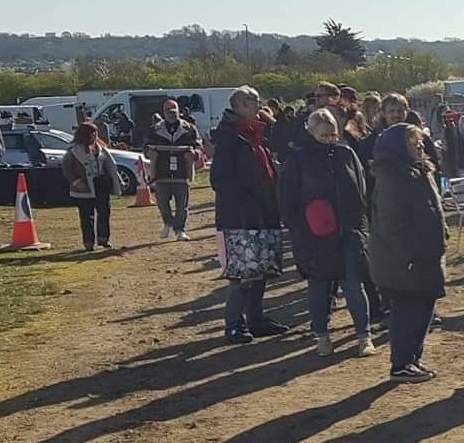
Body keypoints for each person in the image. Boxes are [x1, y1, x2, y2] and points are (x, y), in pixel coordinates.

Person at [278, 108, 376, 357]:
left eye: (333, 134)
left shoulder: (346, 154)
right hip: (315, 238)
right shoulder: (297, 161)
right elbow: (287, 200)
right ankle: (322, 336)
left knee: (354, 285)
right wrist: (300, 231)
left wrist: (361, 226)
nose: (330, 139)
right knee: (319, 289)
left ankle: (364, 336)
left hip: (348, 232)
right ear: (310, 133)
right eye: (324, 135)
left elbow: (361, 191)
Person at [368, 123, 447, 383]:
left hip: (424, 254)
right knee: (407, 310)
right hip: (404, 260)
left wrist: (441, 231)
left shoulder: (419, 171)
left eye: (419, 143)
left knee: (424, 307)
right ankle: (401, 362)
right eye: (413, 143)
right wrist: (409, 255)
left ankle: (413, 359)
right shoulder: (392, 178)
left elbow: (432, 208)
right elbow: (392, 223)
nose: (420, 147)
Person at [210, 86, 289, 344]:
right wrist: (247, 201)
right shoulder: (229, 138)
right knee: (242, 274)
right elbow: (219, 180)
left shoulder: (256, 135)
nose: (258, 106)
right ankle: (234, 324)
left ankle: (255, 319)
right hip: (240, 218)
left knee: (261, 270)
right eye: (253, 102)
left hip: (264, 212)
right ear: (239, 106)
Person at [62, 122, 124, 251]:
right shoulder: (73, 151)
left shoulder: (101, 148)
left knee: (104, 212)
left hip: (101, 183)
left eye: (95, 133)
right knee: (86, 215)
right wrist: (76, 182)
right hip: (85, 186)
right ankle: (88, 242)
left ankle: (103, 238)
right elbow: (67, 168)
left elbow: (110, 166)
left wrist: (117, 180)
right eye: (91, 133)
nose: (94, 136)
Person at [145, 99, 200, 241]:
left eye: (173, 109)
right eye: (168, 110)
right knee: (162, 203)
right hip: (161, 173)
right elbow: (146, 147)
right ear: (163, 112)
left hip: (182, 173)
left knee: (182, 205)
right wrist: (149, 154)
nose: (171, 113)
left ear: (178, 110)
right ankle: (168, 223)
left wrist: (194, 154)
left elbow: (199, 146)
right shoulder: (155, 129)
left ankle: (180, 229)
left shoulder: (189, 129)